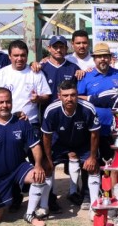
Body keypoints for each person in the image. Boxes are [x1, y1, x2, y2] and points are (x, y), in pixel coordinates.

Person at [0, 88, 52, 226]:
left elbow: (35, 146)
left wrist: (38, 165)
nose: (5, 105)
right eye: (1, 102)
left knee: (39, 175)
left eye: (8, 102)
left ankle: (30, 213)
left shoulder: (21, 121)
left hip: (19, 168)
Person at [42, 80, 101, 210]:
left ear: (77, 94)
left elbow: (95, 134)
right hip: (59, 143)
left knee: (93, 166)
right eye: (65, 95)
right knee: (47, 167)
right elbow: (46, 136)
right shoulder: (51, 110)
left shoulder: (87, 108)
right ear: (59, 96)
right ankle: (47, 203)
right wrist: (47, 158)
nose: (69, 98)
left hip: (82, 142)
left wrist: (92, 157)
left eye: (73, 95)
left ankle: (92, 202)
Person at [0, 40, 51, 125]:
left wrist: (38, 99)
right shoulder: (1, 74)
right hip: (6, 123)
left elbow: (46, 96)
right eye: (16, 55)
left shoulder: (36, 73)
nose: (19, 59)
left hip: (30, 123)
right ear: (9, 56)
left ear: (27, 56)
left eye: (23, 55)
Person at [77, 43, 118, 159]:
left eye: (105, 56)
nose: (103, 59)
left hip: (115, 129)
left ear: (110, 57)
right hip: (93, 129)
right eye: (99, 56)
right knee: (92, 165)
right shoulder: (85, 76)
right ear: (94, 58)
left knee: (113, 164)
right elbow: (78, 98)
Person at [38, 35, 79, 101]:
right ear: (49, 48)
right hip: (46, 109)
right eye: (55, 47)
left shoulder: (74, 68)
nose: (58, 50)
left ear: (66, 49)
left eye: (61, 47)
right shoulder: (42, 68)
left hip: (67, 109)